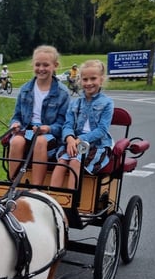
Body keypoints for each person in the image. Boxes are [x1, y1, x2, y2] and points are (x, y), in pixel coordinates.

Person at [7, 45, 70, 185]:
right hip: (27, 131)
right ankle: (13, 183)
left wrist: (47, 129)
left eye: (46, 65)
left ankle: (36, 188)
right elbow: (16, 115)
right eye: (37, 64)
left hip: (50, 135)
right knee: (17, 141)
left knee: (40, 141)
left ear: (55, 66)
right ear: (33, 65)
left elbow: (63, 124)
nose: (41, 68)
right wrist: (15, 124)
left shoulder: (62, 93)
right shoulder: (25, 89)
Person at [50, 59, 114, 190]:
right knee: (62, 162)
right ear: (80, 80)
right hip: (74, 142)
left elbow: (102, 130)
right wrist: (69, 139)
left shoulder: (107, 103)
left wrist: (80, 140)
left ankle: (72, 201)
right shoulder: (75, 103)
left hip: (96, 144)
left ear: (101, 80)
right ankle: (52, 198)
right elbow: (67, 124)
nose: (89, 83)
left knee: (75, 161)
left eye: (93, 79)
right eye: (85, 79)